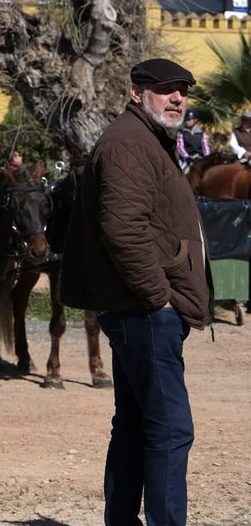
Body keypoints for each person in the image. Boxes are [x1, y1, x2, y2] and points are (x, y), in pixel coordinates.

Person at [61, 58, 210, 526]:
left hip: (139, 309)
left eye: (182, 90)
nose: (177, 98)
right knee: (169, 429)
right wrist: (158, 299)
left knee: (135, 427)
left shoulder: (147, 139)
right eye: (165, 89)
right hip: (143, 311)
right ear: (136, 93)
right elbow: (123, 230)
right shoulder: (128, 143)